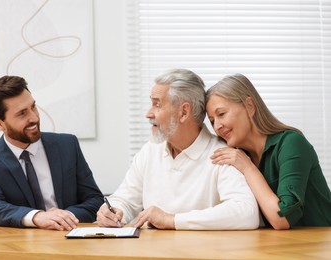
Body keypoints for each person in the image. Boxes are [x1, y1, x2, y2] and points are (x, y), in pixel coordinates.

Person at [96, 69, 259, 230]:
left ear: (183, 112)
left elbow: (246, 213)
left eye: (156, 104)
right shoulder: (150, 151)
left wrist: (172, 220)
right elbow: (125, 199)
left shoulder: (222, 155)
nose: (148, 114)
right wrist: (114, 211)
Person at [0, 75, 103, 230]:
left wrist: (61, 218)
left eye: (33, 107)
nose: (34, 118)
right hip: (20, 247)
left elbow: (95, 200)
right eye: (22, 113)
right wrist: (37, 217)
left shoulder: (67, 145)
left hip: (69, 240)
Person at [205, 73, 331, 229]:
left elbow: (282, 218)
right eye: (212, 121)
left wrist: (248, 168)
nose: (217, 126)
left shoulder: (291, 143)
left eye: (221, 114)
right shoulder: (236, 157)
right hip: (275, 247)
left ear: (249, 106)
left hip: (320, 245)